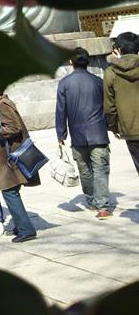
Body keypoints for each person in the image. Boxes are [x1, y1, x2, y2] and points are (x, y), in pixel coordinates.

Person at [56, 47, 110, 218]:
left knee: (85, 170)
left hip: (77, 136)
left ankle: (92, 201)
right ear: (89, 61)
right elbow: (107, 107)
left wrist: (61, 134)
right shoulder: (98, 82)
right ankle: (103, 207)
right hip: (98, 133)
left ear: (71, 62)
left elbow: (60, 111)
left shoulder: (64, 83)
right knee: (100, 169)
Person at [0, 95, 38, 243]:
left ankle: (26, 229)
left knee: (9, 191)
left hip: (9, 157)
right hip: (6, 157)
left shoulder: (3, 104)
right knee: (11, 190)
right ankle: (21, 225)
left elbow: (15, 127)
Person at [104, 31, 139, 177]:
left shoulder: (111, 72)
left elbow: (109, 105)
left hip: (129, 128)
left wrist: (113, 126)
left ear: (118, 49)